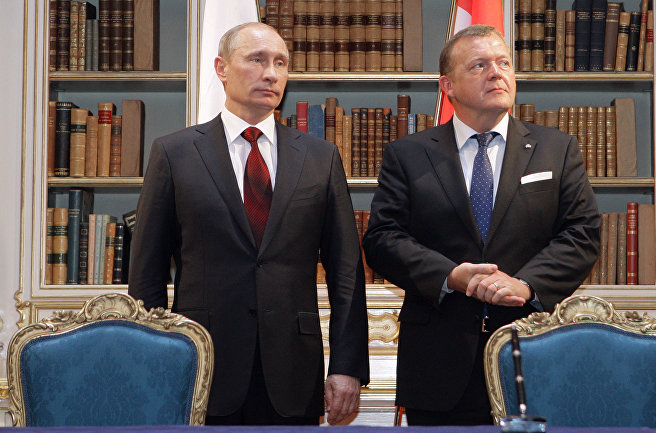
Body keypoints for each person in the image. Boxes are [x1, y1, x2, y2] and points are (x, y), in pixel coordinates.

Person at [128, 22, 369, 426]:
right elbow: (147, 273)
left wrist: (347, 366)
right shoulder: (174, 153)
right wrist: (156, 363)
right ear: (221, 68)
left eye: (280, 63)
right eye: (256, 60)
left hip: (293, 370)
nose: (271, 73)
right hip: (201, 368)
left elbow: (346, 272)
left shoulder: (320, 157)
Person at [362, 25, 601, 426]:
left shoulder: (557, 149)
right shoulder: (408, 154)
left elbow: (582, 234)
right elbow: (383, 239)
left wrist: (525, 285)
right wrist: (450, 276)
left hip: (533, 352)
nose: (496, 73)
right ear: (448, 86)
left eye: (503, 63)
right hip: (439, 362)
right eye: (479, 65)